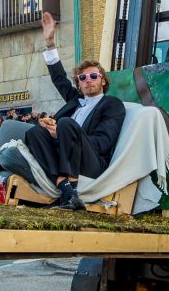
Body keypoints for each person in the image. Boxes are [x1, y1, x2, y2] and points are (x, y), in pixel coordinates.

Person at [24, 12, 126, 211]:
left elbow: (104, 143)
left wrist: (64, 133)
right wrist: (50, 44)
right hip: (63, 154)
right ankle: (66, 190)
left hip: (92, 162)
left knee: (65, 123)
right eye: (82, 78)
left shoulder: (111, 105)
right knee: (35, 132)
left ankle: (71, 189)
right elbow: (59, 78)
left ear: (103, 80)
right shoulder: (75, 100)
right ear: (78, 84)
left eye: (93, 76)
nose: (88, 80)